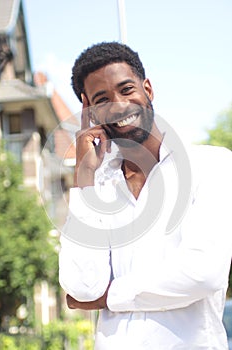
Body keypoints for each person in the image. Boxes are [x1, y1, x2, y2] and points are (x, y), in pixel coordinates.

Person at [59, 41, 232, 349]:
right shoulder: (97, 188)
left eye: (127, 90)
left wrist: (110, 296)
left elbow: (203, 273)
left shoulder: (212, 165)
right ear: (89, 110)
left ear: (148, 89)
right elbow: (83, 290)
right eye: (103, 99)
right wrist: (84, 176)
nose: (120, 105)